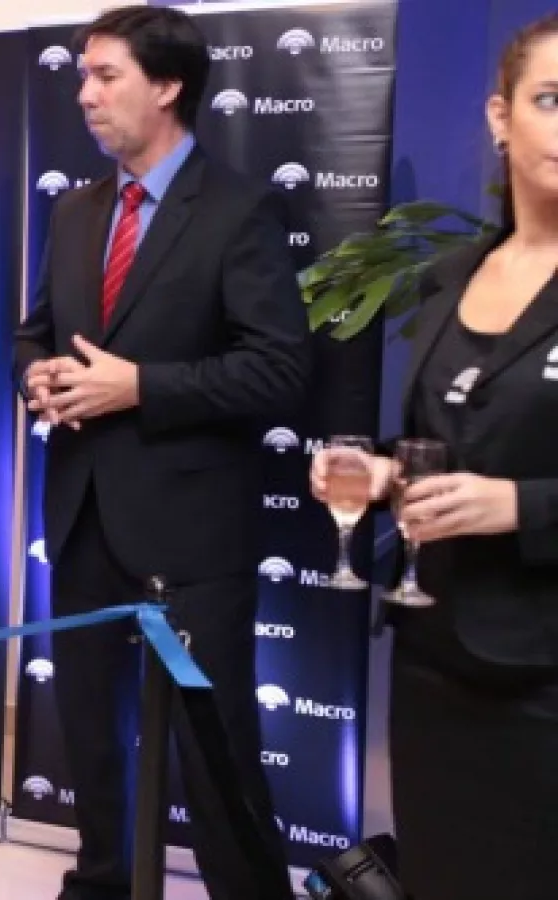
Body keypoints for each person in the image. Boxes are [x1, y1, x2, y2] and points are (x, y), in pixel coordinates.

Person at [14, 7, 309, 899]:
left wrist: (141, 387)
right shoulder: (75, 211)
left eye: (106, 76)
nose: (85, 94)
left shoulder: (240, 210)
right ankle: (102, 882)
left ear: (169, 85)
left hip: (192, 536)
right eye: (83, 76)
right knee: (90, 738)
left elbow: (278, 370)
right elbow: (34, 333)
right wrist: (37, 377)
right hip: (81, 520)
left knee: (216, 753)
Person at [309, 14, 558, 900]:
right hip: (433, 657)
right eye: (551, 99)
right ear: (500, 117)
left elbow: (506, 481)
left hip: (546, 677)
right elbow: (443, 441)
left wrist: (520, 506)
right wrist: (383, 476)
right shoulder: (450, 276)